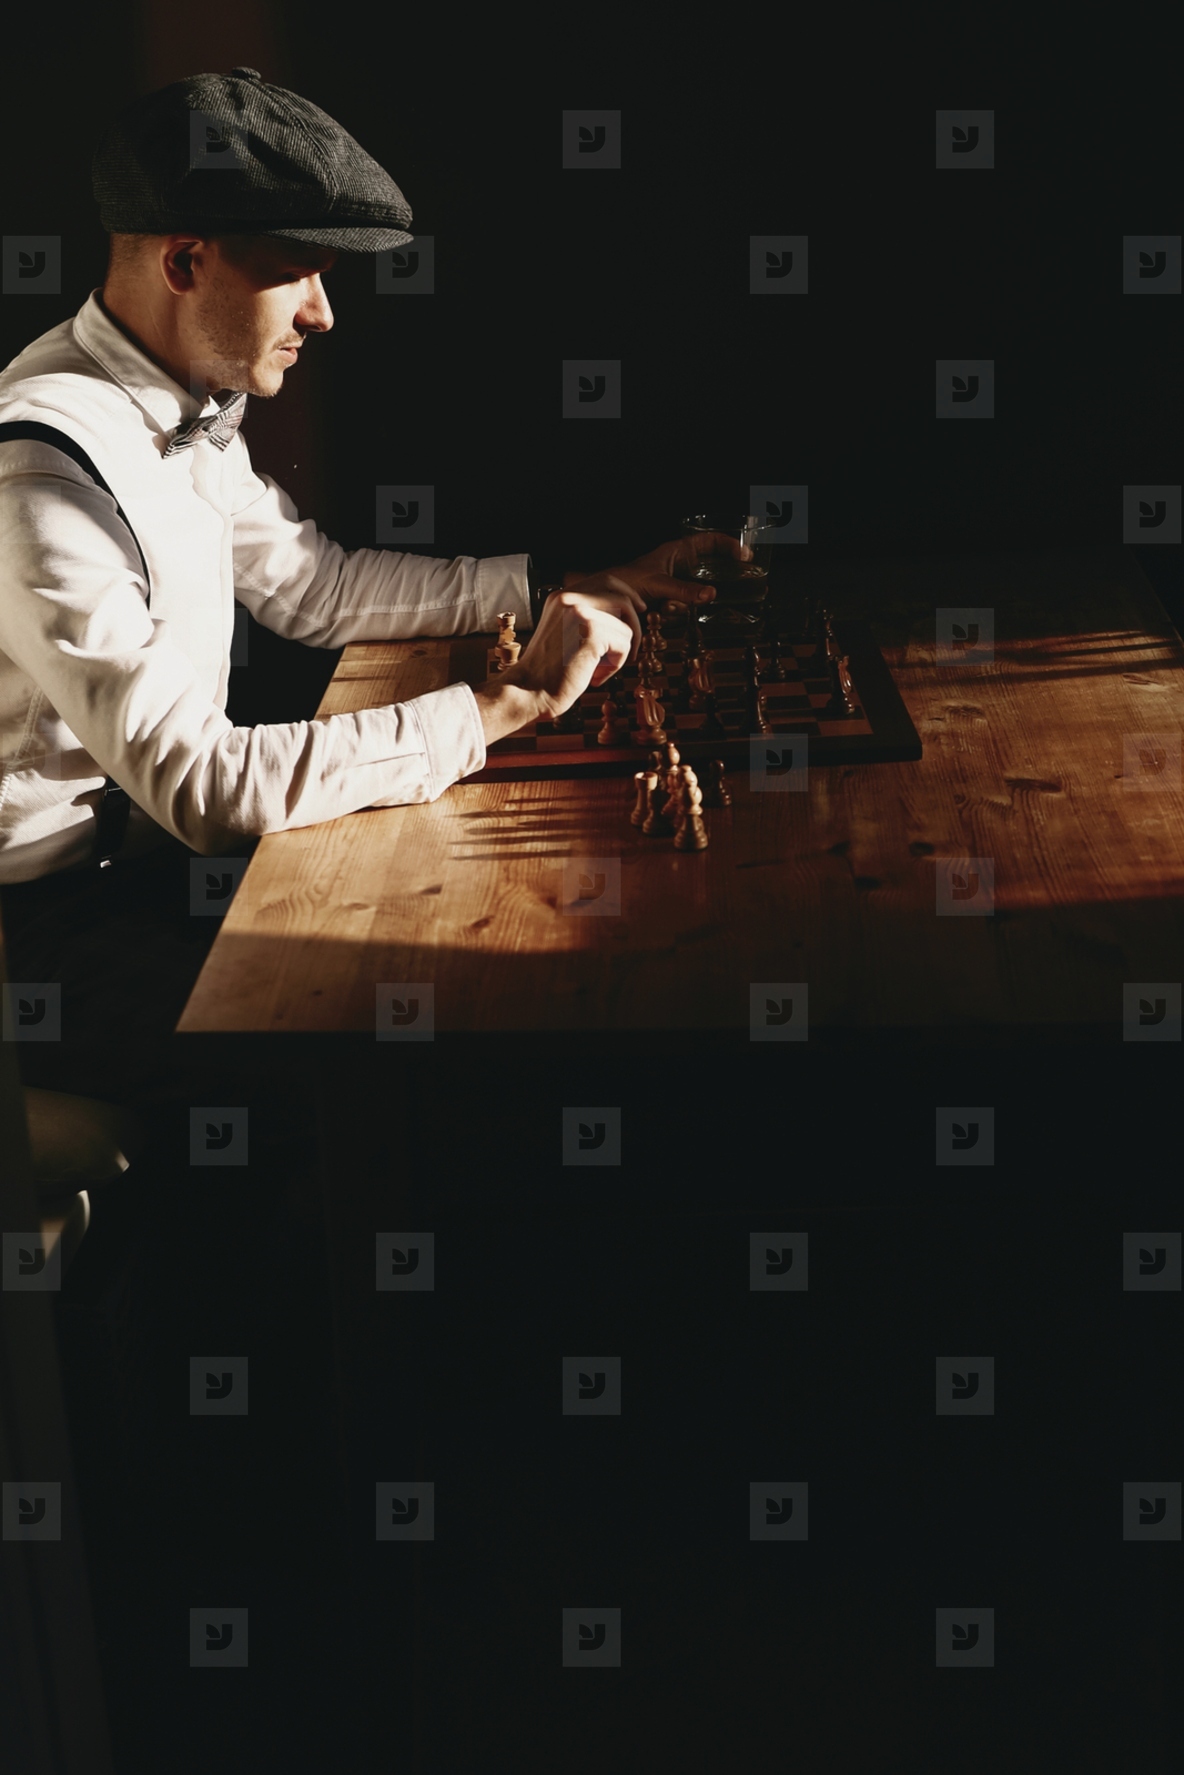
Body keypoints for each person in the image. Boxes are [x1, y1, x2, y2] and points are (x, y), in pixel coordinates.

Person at [0, 68, 740, 1161]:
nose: (323, 312)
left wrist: (578, 580)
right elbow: (206, 790)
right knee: (410, 1064)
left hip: (142, 885)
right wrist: (514, 696)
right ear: (185, 260)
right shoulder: (43, 470)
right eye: (297, 272)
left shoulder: (177, 399)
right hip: (44, 946)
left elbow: (317, 586)